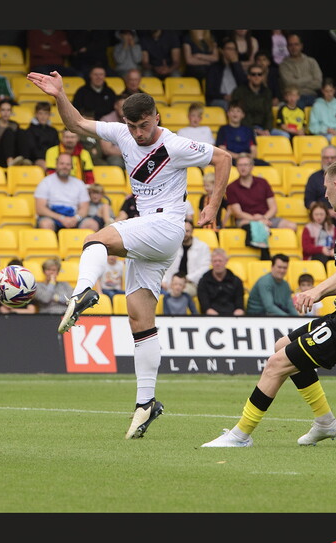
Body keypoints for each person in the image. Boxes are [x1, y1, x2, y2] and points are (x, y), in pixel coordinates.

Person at [27, 70, 233, 440]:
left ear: (156, 117)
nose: (138, 133)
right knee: (139, 320)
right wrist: (60, 94)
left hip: (166, 226)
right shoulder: (120, 133)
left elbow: (224, 158)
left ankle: (83, 292)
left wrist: (212, 206)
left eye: (143, 125)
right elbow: (74, 122)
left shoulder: (174, 145)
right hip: (149, 236)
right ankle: (145, 403)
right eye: (132, 126)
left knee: (94, 242)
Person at [202, 159, 336, 448]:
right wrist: (317, 292)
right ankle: (325, 422)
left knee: (276, 364)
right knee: (281, 347)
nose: (325, 194)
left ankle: (240, 435)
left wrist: (317, 291)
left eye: (326, 188)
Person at [225, 154, 297, 244]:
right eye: (240, 165)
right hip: (245, 219)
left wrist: (264, 218)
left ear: (252, 166)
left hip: (266, 217)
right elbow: (238, 213)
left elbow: (273, 208)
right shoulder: (231, 187)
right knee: (252, 225)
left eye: (246, 165)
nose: (243, 168)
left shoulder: (263, 182)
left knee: (292, 226)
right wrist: (257, 220)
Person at [34, 152, 97, 233]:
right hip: (52, 217)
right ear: (56, 165)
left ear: (72, 167)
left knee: (92, 224)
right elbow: (40, 209)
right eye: (62, 163)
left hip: (73, 217)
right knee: (45, 224)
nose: (65, 167)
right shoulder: (46, 182)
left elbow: (84, 208)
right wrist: (61, 218)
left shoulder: (79, 183)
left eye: (68, 164)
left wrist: (75, 218)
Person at [230, 63, 285, 137]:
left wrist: (267, 129)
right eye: (253, 74)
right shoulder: (239, 91)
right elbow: (237, 112)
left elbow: (269, 114)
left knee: (284, 135)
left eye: (259, 74)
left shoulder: (267, 92)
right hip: (244, 127)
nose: (256, 77)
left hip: (263, 128)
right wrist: (253, 129)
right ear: (248, 76)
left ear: (263, 77)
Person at [161, 219, 211, 297]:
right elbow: (162, 265)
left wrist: (185, 279)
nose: (184, 234)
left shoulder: (202, 247)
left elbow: (204, 269)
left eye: (187, 231)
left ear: (192, 231)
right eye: (182, 231)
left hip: (191, 283)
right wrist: (163, 281)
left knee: (178, 293)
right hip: (170, 283)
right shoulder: (171, 245)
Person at [278, 32, 322, 109]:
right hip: (293, 99)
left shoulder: (311, 61)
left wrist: (297, 83)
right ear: (287, 47)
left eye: (296, 44)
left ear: (301, 46)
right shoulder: (283, 65)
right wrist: (309, 78)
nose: (293, 47)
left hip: (313, 97)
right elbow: (290, 84)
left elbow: (318, 83)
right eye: (290, 45)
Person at [197, 248, 246, 316]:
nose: (217, 263)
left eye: (220, 261)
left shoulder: (236, 281)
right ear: (211, 262)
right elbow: (205, 307)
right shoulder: (203, 281)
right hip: (211, 318)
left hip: (232, 317)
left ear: (226, 261)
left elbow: (239, 306)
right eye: (215, 261)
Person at [204, 37, 246, 111]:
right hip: (219, 100)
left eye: (234, 49)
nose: (232, 52)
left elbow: (244, 84)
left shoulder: (238, 68)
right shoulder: (213, 68)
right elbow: (210, 91)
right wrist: (224, 96)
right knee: (228, 106)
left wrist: (235, 63)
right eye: (229, 49)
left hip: (237, 100)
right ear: (222, 51)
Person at [215, 101, 262, 166]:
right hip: (231, 159)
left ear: (243, 115)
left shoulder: (248, 130)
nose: (235, 113)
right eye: (232, 111)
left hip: (247, 160)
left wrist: (246, 157)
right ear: (228, 113)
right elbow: (222, 150)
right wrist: (239, 156)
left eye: (238, 111)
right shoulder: (223, 130)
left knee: (267, 166)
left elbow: (254, 152)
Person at [20, 101, 60, 170]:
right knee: (46, 165)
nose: (43, 116)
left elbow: (57, 147)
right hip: (36, 159)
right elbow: (33, 149)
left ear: (49, 115)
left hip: (52, 158)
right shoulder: (30, 130)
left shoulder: (53, 131)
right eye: (40, 113)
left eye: (46, 114)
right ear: (36, 114)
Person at [308, 78, 336, 142]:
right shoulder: (317, 106)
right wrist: (326, 129)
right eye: (326, 91)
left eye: (331, 91)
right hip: (323, 135)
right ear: (322, 91)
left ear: (335, 90)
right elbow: (313, 127)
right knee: (331, 139)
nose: (329, 94)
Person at [303, 144, 336, 217]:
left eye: (332, 157)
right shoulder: (314, 178)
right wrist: (326, 211)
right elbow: (309, 202)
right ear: (321, 159)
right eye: (326, 158)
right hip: (323, 218)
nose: (329, 160)